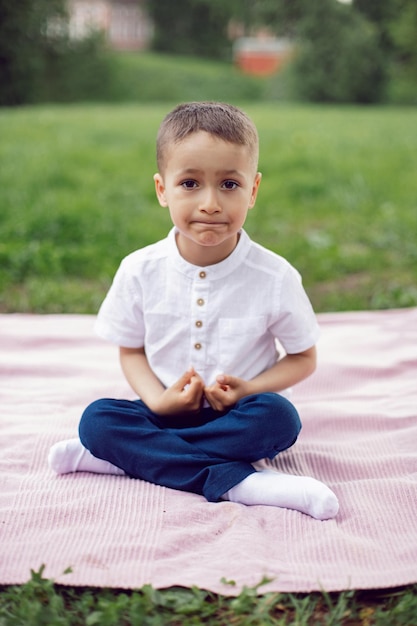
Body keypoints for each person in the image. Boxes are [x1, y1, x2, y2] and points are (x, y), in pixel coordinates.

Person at [49, 101, 339, 520]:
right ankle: (240, 482)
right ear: (162, 189)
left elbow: (303, 358)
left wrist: (248, 391)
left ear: (253, 190)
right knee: (97, 420)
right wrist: (159, 402)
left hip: (239, 417)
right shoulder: (140, 270)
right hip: (162, 412)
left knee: (279, 418)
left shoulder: (274, 277)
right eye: (189, 183)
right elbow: (130, 350)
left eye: (229, 185)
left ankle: (125, 459)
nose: (210, 203)